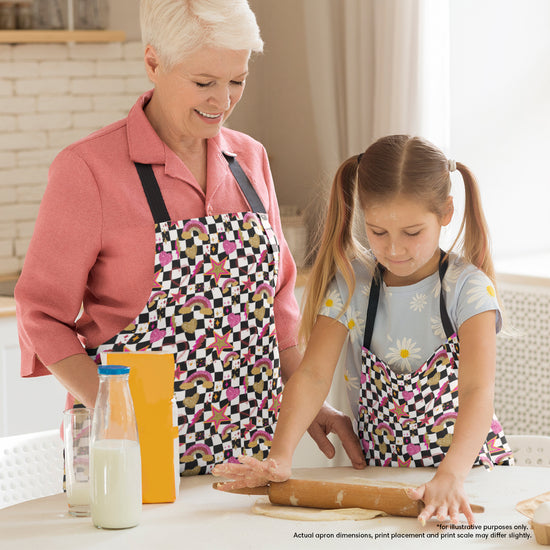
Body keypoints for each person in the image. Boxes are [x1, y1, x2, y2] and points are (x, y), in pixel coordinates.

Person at [15, 0, 362, 476]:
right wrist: (111, 408)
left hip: (249, 453)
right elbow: (40, 314)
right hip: (130, 451)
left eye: (237, 80)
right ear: (153, 62)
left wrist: (305, 402)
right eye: (204, 83)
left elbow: (278, 304)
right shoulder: (88, 170)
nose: (223, 100)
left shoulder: (250, 159)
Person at [213, 134, 514, 523]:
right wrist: (280, 456)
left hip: (467, 482)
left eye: (412, 232)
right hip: (383, 484)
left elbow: (477, 391)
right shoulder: (354, 284)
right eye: (377, 231)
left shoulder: (468, 290)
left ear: (446, 212)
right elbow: (312, 375)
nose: (394, 249)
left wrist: (451, 475)